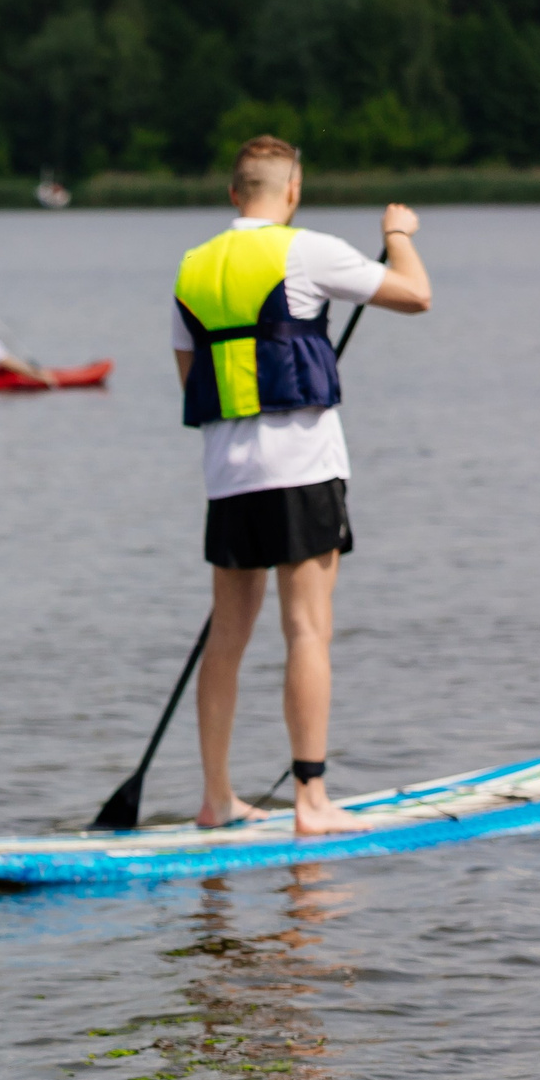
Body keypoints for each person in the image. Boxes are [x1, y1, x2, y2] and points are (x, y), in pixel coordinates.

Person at [173, 134, 431, 833]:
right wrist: (396, 235)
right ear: (293, 191)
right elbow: (416, 296)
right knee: (307, 630)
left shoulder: (192, 268)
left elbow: (192, 380)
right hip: (302, 471)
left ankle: (216, 799)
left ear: (233, 193)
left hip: (227, 477)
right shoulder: (306, 249)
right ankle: (311, 803)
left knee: (227, 636)